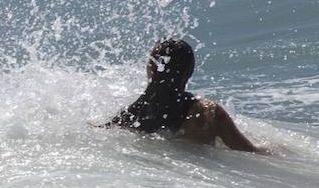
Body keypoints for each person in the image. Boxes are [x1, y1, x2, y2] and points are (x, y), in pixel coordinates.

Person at [107, 38, 263, 152]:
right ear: (189, 72)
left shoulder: (131, 115)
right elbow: (248, 151)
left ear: (151, 69)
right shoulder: (207, 112)